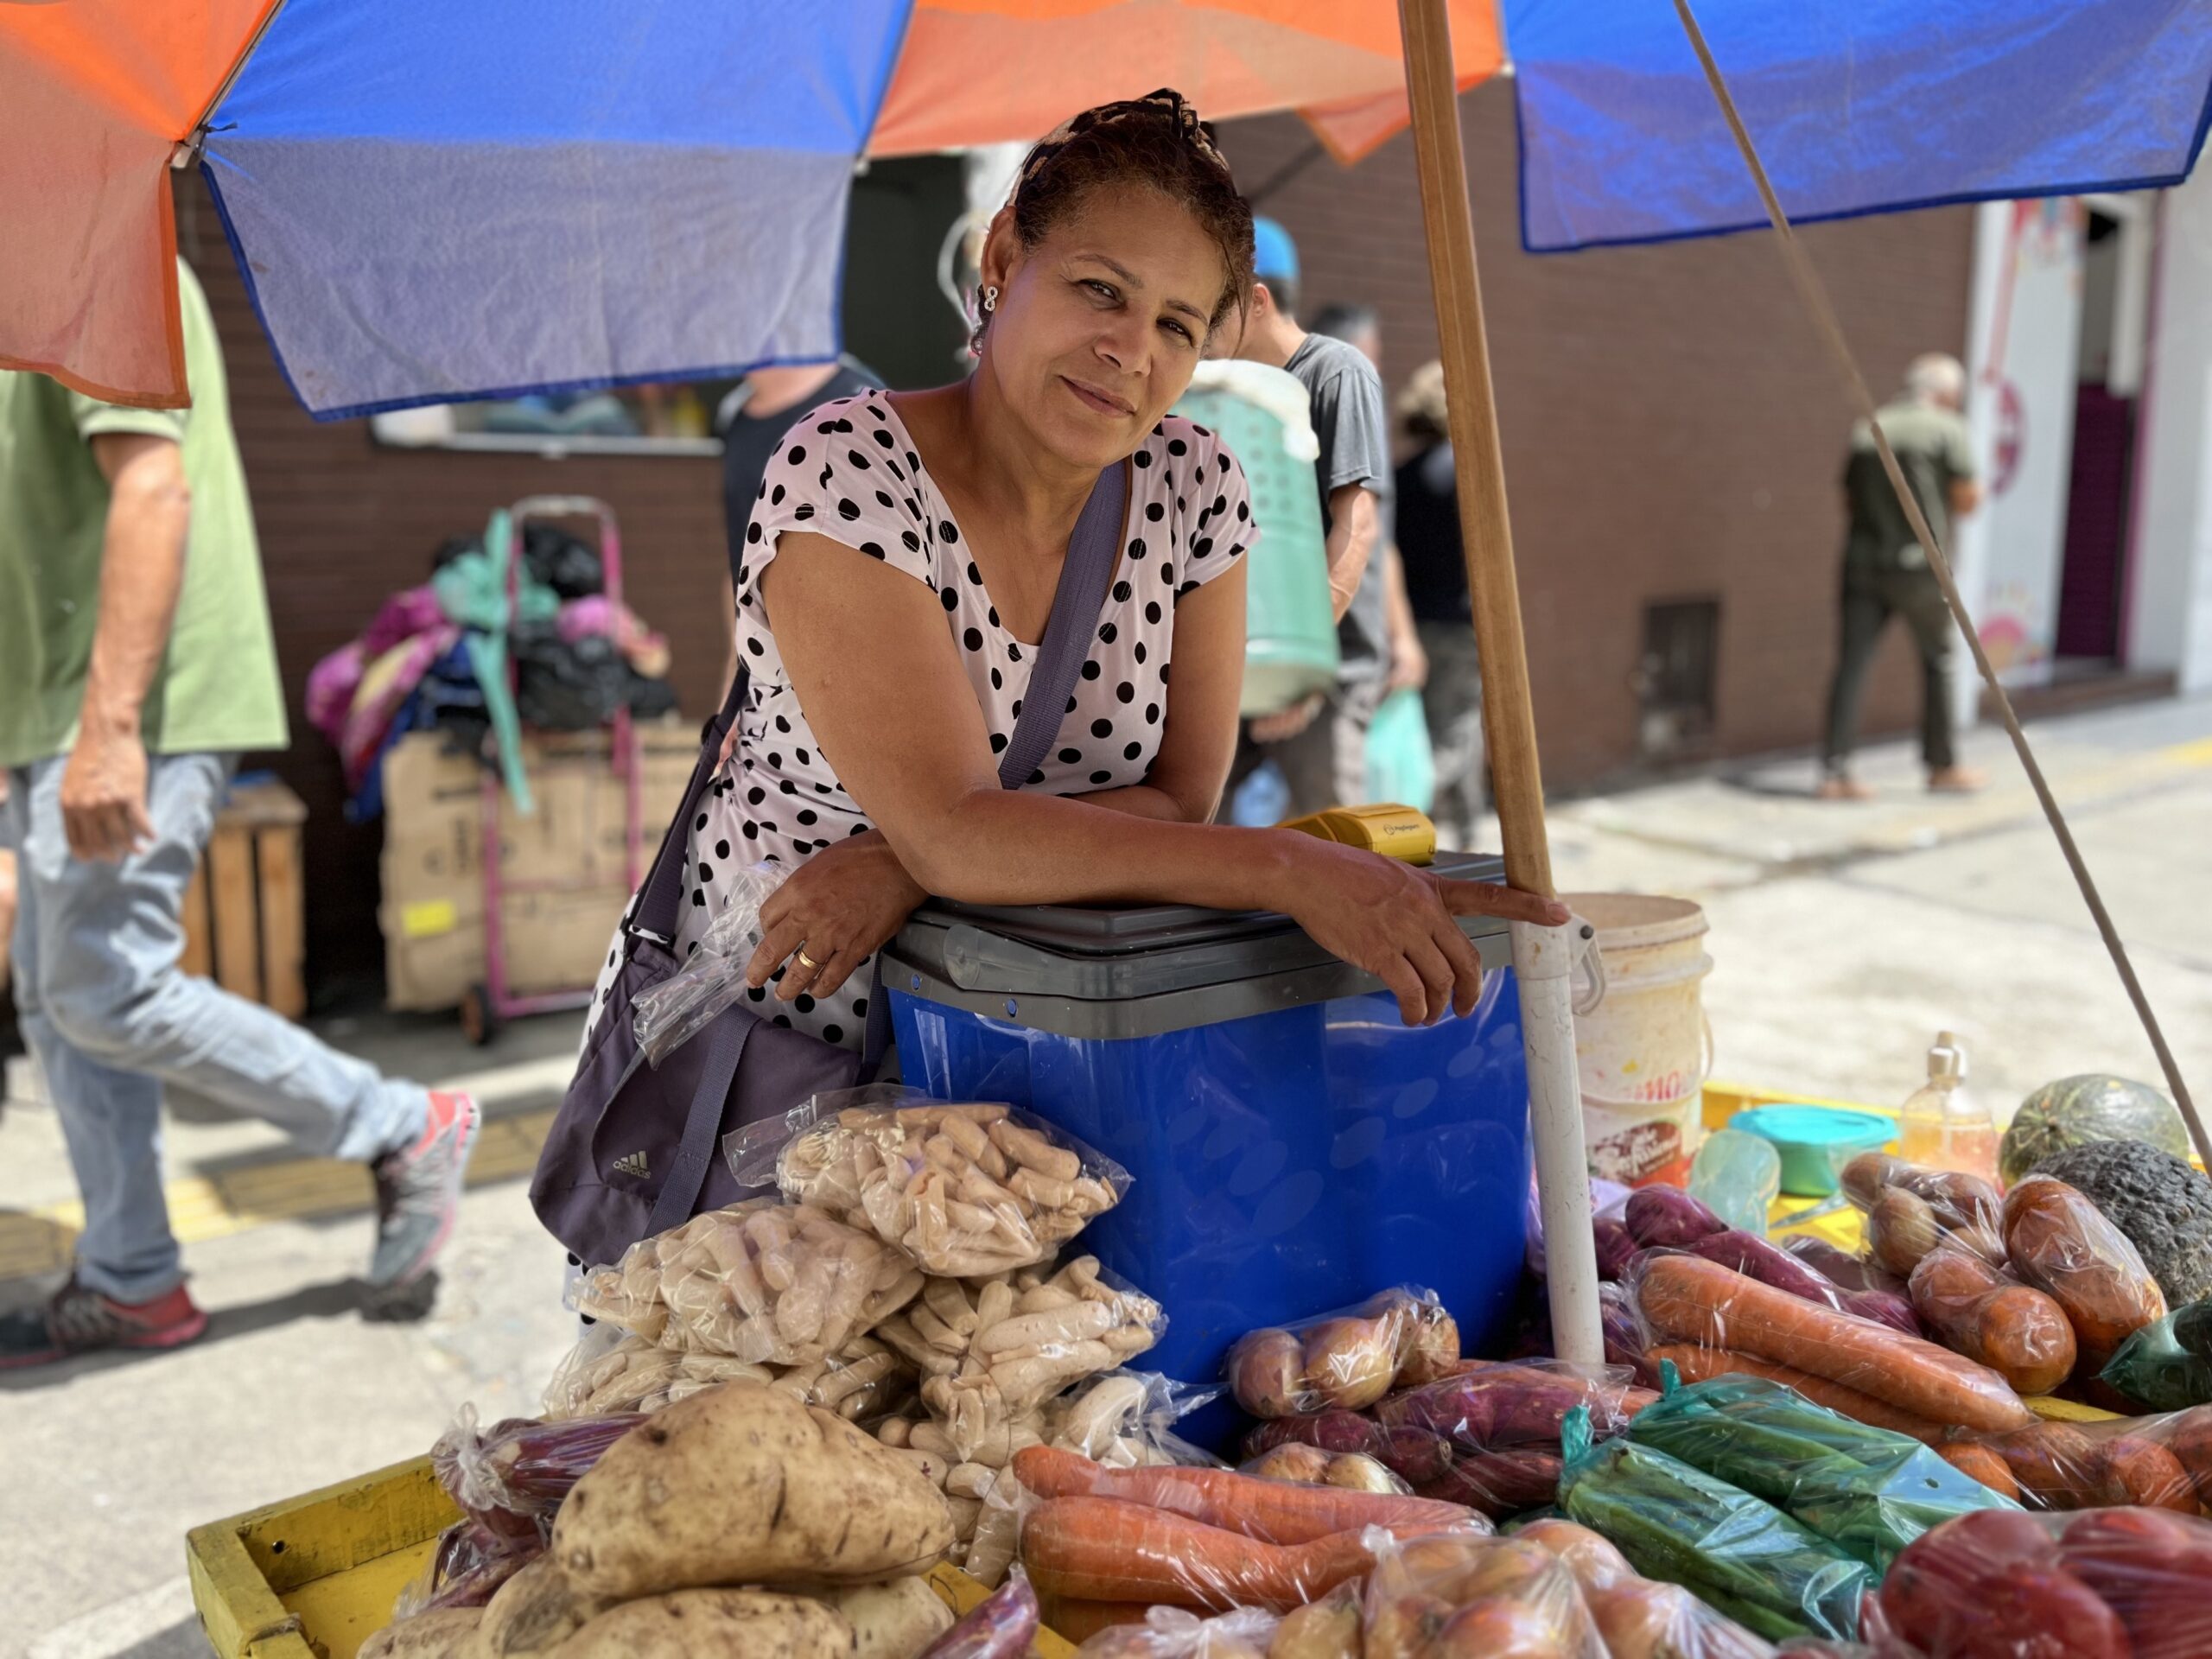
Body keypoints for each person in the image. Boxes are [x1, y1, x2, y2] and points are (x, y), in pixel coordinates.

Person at [582, 89, 1563, 1080]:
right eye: (1101, 289)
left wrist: (903, 865)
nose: (1131, 350)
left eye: (1178, 325)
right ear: (1004, 258)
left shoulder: (1199, 486)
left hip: (1033, 1045)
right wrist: (1286, 865)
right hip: (776, 1038)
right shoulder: (846, 468)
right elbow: (959, 831)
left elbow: (1180, 798)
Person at [0, 259, 478, 1367]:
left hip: (133, 701)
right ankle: (132, 1279)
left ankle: (400, 1125)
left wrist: (110, 726)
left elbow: (152, 489)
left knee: (99, 983)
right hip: (49, 715)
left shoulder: (90, 256)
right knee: (62, 998)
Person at [1222, 225, 1395, 815]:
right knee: (1194, 829)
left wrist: (1304, 667)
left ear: (1258, 301)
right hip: (1240, 661)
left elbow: (1360, 524)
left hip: (1330, 665)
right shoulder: (1226, 394)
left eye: (1208, 312)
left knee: (1336, 843)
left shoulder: (1337, 371)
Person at [1819, 353, 1986, 798]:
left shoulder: (1868, 427)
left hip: (1863, 564)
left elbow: (1847, 500)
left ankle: (1835, 771)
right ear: (1947, 393)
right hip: (1920, 570)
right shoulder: (1948, 429)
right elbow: (1968, 499)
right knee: (1938, 662)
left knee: (1851, 666)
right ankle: (1941, 766)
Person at [717, 359, 885, 691]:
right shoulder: (734, 415)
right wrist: (735, 677)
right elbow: (737, 561)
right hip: (765, 681)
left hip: (847, 675)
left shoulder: (859, 403)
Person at [1391, 361, 1489, 849]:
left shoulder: (1400, 474)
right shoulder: (1466, 473)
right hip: (1459, 625)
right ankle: (1409, 817)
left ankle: (1469, 830)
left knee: (1450, 727)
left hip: (1412, 626)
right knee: (1451, 734)